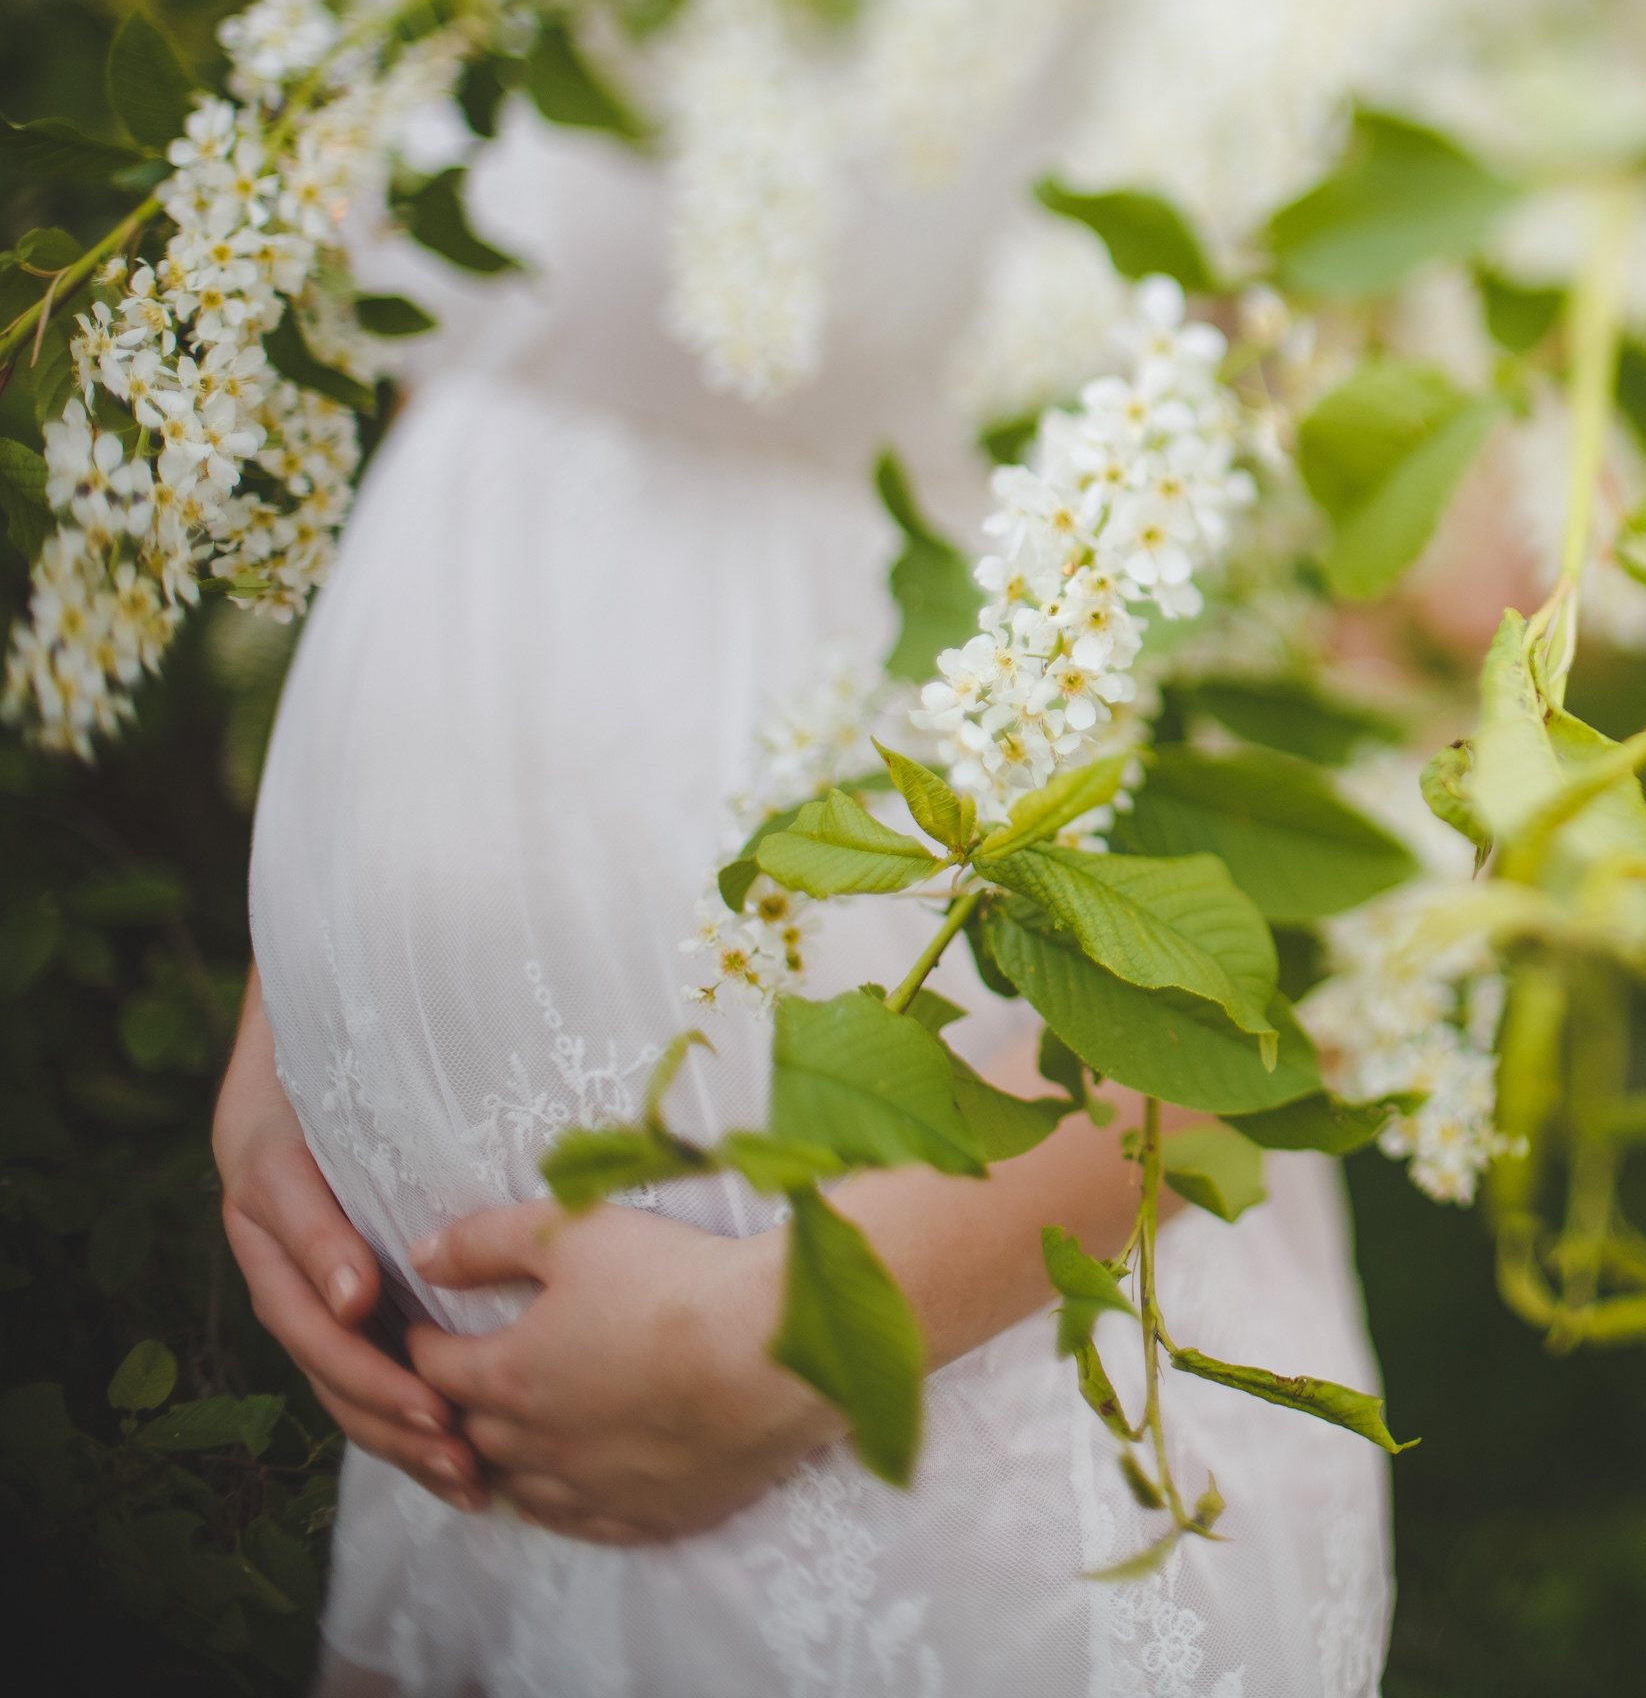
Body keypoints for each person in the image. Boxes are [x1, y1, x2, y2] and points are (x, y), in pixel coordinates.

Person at [207, 95, 1394, 1696]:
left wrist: (800, 1333)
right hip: (470, 1408)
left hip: (931, 1409)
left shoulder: (1276, 6)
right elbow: (481, 396)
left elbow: (1397, 841)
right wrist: (292, 1040)